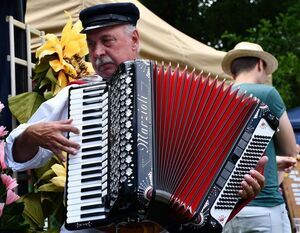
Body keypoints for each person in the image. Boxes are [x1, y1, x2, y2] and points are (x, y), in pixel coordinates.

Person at [4, 3, 267, 233]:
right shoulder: (79, 94)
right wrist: (30, 134)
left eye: (107, 41)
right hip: (97, 228)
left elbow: (217, 186)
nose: (97, 53)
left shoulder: (193, 96)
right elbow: (17, 154)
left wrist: (240, 190)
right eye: (91, 44)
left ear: (134, 40)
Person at [221, 41, 298, 233]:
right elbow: (290, 149)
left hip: (225, 212)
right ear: (260, 65)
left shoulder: (219, 95)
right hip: (264, 208)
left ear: (232, 72)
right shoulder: (268, 93)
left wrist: (274, 161)